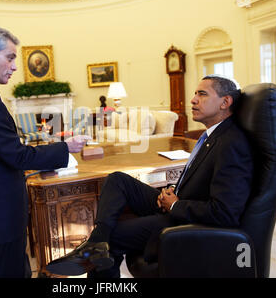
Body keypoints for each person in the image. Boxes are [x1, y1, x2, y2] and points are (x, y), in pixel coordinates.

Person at [46, 75, 254, 277]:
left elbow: (226, 213)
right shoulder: (212, 136)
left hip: (186, 222)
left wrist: (174, 205)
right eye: (195, 94)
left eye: (202, 94)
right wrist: (172, 191)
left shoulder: (232, 144)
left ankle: (98, 247)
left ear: (225, 102)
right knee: (118, 179)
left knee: (114, 235)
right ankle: (96, 242)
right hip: (178, 202)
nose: (193, 99)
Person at [0, 26, 90, 278]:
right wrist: (66, 148)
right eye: (10, 57)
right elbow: (17, 156)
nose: (14, 66)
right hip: (0, 209)